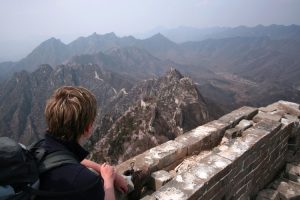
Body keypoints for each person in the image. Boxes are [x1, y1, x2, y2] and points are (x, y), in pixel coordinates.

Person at [36, 86, 128, 200]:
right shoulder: (84, 181)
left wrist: (100, 168)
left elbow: (65, 160)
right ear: (87, 128)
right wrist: (109, 180)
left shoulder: (39, 147)